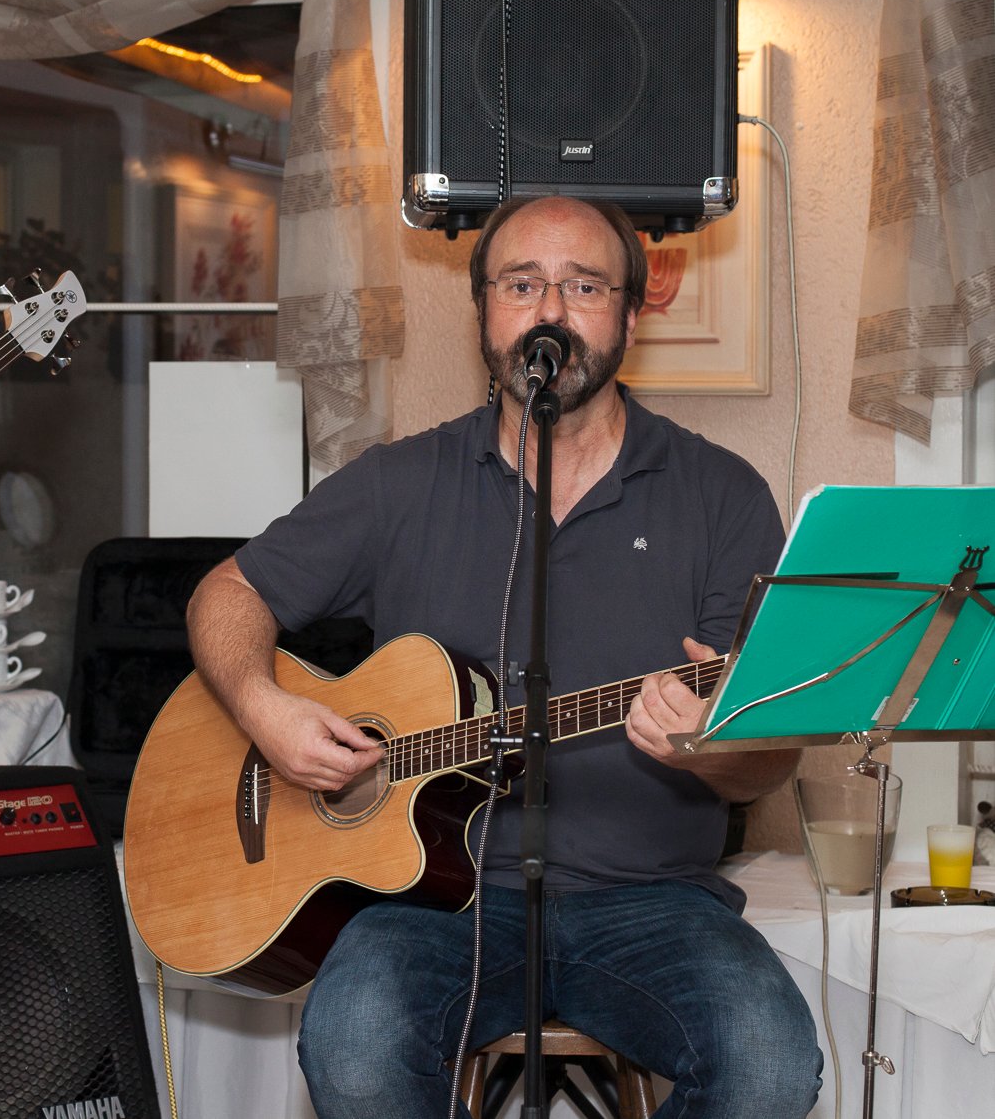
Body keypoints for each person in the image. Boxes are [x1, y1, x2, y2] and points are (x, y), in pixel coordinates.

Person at [186, 196, 823, 1117]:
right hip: (429, 905)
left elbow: (770, 755)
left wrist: (712, 746)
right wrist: (261, 705)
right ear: (482, 311)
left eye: (585, 286)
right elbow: (226, 594)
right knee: (354, 1045)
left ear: (631, 317)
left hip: (652, 904)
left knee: (768, 1062)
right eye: (521, 284)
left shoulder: (722, 495)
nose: (550, 309)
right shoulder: (401, 482)